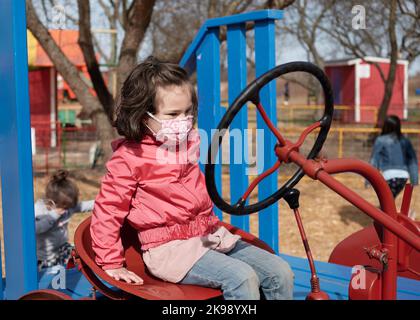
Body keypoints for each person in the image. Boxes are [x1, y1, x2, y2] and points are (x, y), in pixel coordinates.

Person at [90, 56, 294, 300]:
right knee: (241, 279)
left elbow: (226, 150)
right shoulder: (129, 159)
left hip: (208, 235)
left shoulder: (189, 141)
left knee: (279, 271)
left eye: (187, 112)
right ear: (144, 117)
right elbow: (107, 210)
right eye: (173, 114)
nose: (183, 121)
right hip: (170, 249)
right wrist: (111, 262)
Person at [35, 170, 94, 270]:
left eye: (69, 206)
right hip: (44, 256)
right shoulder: (40, 209)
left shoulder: (67, 207)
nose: (67, 209)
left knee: (78, 252)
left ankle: (76, 270)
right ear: (52, 201)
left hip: (61, 248)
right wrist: (53, 216)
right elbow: (37, 228)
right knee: (51, 277)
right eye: (64, 206)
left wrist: (104, 201)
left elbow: (85, 206)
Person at [368, 115, 418, 199]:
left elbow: (374, 160)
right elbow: (412, 160)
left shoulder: (381, 140)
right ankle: (387, 211)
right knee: (389, 201)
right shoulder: (405, 140)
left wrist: (368, 180)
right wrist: (414, 179)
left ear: (385, 126)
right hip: (403, 177)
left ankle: (385, 211)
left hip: (388, 176)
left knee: (386, 202)